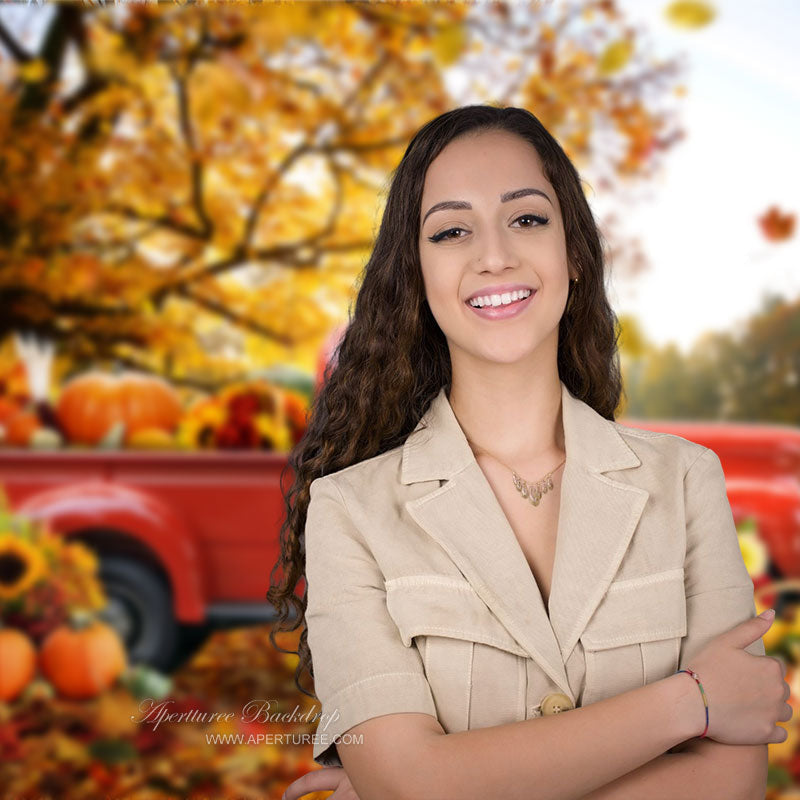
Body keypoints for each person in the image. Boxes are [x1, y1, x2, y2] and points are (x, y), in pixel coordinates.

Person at [269, 105, 790, 800]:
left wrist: (437, 784)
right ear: (416, 275)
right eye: (452, 231)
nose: (494, 256)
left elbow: (733, 783)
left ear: (572, 250)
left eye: (527, 219)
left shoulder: (687, 482)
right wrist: (690, 703)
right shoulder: (348, 512)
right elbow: (409, 785)